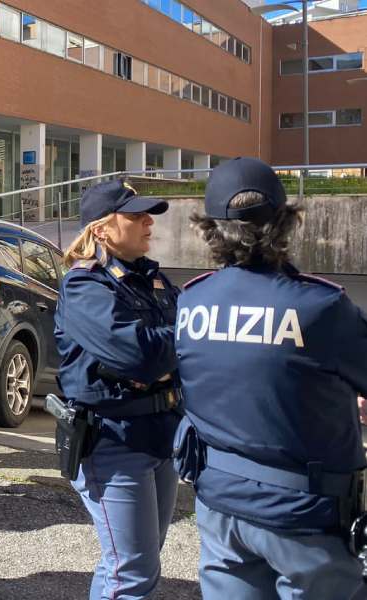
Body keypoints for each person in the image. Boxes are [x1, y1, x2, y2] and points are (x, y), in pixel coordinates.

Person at [175, 158, 367, 599]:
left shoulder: (192, 302)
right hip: (303, 515)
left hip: (220, 503)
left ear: (209, 229)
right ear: (284, 222)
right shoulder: (319, 307)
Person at [53, 179, 182, 600]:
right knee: (133, 570)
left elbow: (183, 344)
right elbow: (140, 356)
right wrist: (168, 353)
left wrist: (165, 355)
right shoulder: (85, 285)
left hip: (158, 434)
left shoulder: (152, 278)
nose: (148, 222)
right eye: (135, 215)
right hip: (112, 440)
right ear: (101, 229)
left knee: (136, 561)